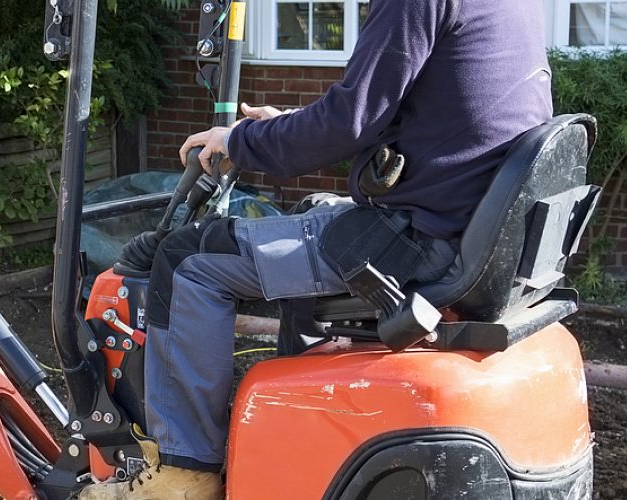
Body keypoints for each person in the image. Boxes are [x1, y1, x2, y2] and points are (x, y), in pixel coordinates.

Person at [77, 0, 553, 498]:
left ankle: (182, 477)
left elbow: (349, 121)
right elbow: (412, 116)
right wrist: (282, 124)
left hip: (416, 238)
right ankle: (290, 443)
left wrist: (241, 142)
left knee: (187, 260)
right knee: (307, 211)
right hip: (461, 223)